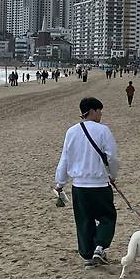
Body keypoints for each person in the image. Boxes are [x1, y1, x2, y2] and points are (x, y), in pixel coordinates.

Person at [54, 97, 119, 269]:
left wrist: (60, 183)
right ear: (92, 110)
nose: (101, 114)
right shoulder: (103, 131)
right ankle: (99, 247)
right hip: (99, 184)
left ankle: (88, 255)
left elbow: (65, 159)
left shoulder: (71, 131)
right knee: (107, 217)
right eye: (99, 111)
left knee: (84, 220)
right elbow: (112, 157)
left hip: (79, 186)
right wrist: (112, 175)